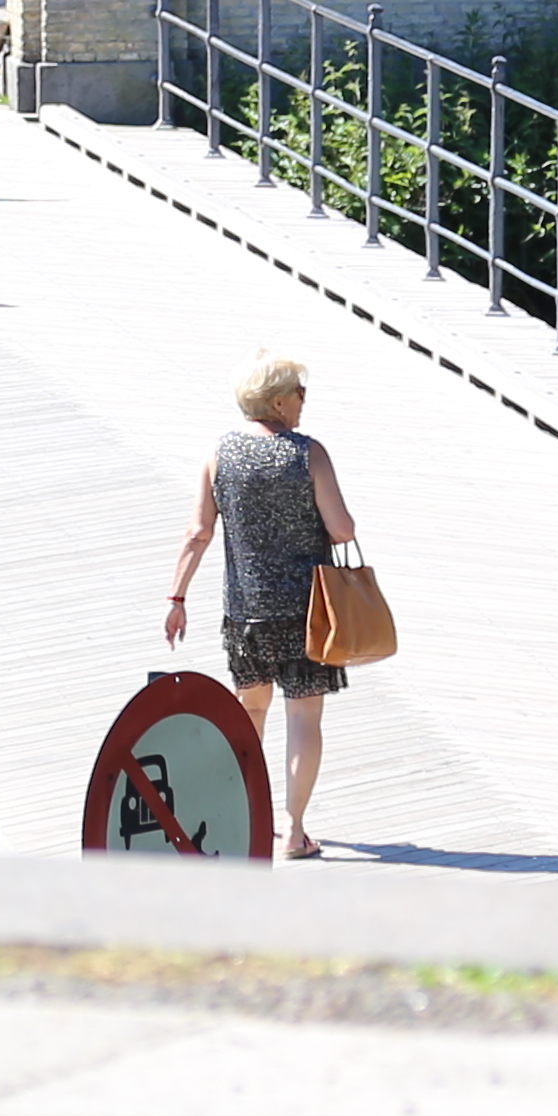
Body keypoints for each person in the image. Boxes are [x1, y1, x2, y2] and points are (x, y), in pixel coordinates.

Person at [161, 356, 360, 859]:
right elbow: (342, 530)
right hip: (307, 611)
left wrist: (177, 597)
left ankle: (248, 820)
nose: (302, 402)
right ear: (278, 401)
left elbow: (198, 532)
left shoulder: (219, 455)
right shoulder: (308, 455)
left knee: (250, 711)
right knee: (303, 719)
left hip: (245, 612)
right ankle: (293, 832)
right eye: (299, 393)